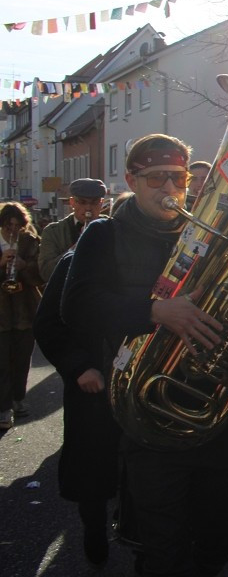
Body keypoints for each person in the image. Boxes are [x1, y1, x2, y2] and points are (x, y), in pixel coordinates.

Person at [61, 133, 228, 577]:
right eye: (156, 179)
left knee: (220, 537)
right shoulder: (104, 233)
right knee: (162, 547)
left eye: (177, 178)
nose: (169, 189)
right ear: (131, 180)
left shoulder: (211, 234)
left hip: (214, 411)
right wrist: (155, 311)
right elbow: (75, 305)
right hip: (146, 415)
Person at [34, 198, 124, 566]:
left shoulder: (154, 264)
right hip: (94, 384)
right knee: (93, 467)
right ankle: (94, 528)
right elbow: (48, 324)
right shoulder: (74, 263)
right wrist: (79, 367)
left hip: (139, 385)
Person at [0, 201, 44, 429]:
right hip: (1, 315)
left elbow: (41, 274)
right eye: (8, 225)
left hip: (25, 311)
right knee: (2, 362)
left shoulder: (30, 241)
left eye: (17, 225)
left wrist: (24, 265)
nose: (13, 230)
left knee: (22, 359)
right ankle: (4, 408)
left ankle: (18, 398)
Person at [38, 178, 107, 281]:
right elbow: (46, 272)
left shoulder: (112, 227)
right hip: (67, 294)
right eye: (82, 202)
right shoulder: (53, 232)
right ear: (72, 202)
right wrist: (75, 248)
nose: (88, 208)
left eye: (94, 202)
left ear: (101, 203)